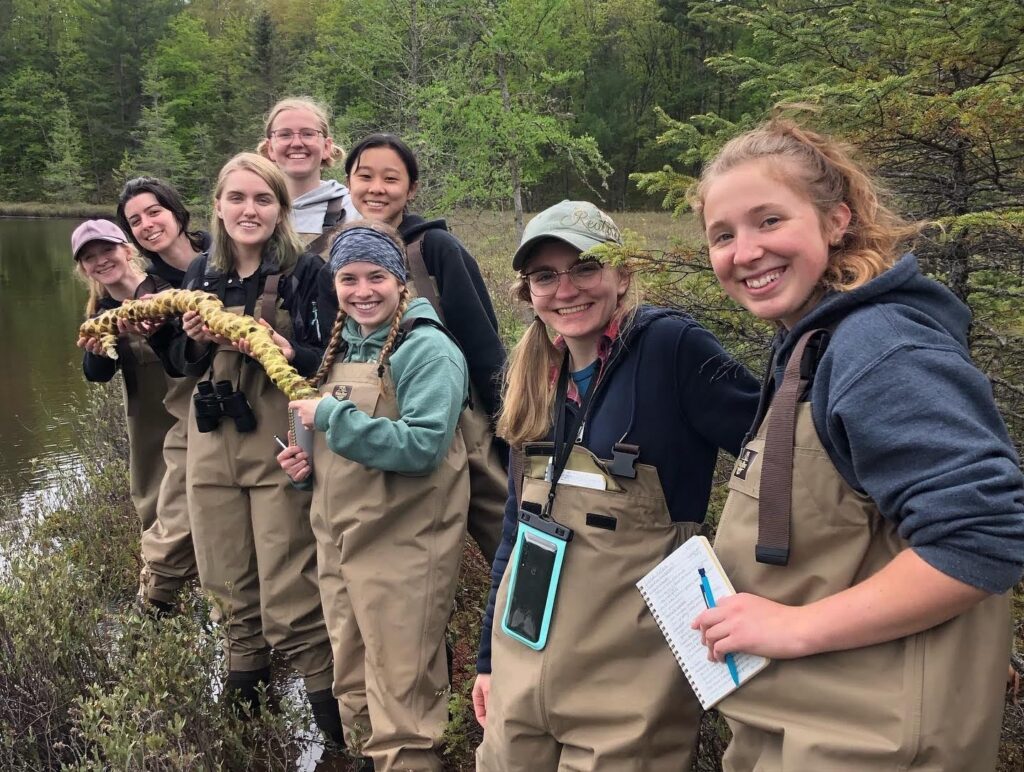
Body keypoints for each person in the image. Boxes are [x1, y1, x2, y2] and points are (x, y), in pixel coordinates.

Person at [690, 118, 1024, 770]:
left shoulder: (880, 344)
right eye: (723, 235)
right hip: (807, 730)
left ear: (836, 220)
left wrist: (792, 626)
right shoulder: (811, 347)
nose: (746, 251)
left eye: (769, 221)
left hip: (875, 745)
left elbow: (982, 537)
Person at [473, 200, 760, 771]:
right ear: (528, 292)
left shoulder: (672, 348)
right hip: (521, 667)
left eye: (585, 267)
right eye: (545, 276)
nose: (566, 288)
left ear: (623, 274)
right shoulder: (532, 379)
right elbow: (515, 528)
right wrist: (486, 658)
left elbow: (778, 459)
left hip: (631, 685)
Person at [279, 221, 470, 770]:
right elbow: (333, 443)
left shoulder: (427, 349)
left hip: (404, 547)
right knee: (353, 678)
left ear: (401, 280)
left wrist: (333, 415)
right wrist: (303, 466)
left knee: (403, 693)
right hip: (340, 541)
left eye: (376, 276)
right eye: (349, 278)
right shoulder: (342, 344)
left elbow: (424, 447)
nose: (362, 290)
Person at [169, 152, 343, 747]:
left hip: (279, 445)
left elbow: (334, 361)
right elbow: (177, 364)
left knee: (293, 595)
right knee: (228, 592)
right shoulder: (199, 272)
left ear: (281, 208)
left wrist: (286, 349)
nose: (249, 210)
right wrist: (191, 342)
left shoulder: (305, 273)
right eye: (237, 198)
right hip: (211, 445)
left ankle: (339, 742)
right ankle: (245, 742)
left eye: (263, 199)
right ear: (218, 206)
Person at [344, 132, 508, 562]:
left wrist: (508, 431)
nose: (376, 188)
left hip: (460, 419)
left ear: (411, 189)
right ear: (348, 182)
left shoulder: (435, 249)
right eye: (365, 176)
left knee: (503, 528)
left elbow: (482, 342)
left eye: (391, 178)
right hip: (380, 423)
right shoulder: (335, 253)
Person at [115, 177, 208, 615]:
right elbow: (176, 364)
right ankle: (152, 611)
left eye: (154, 212)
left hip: (264, 397)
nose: (147, 225)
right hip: (196, 407)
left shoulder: (222, 251)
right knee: (173, 512)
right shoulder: (149, 293)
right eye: (135, 221)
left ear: (176, 211)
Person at [75, 220, 179, 574]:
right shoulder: (101, 311)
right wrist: (99, 350)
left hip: (189, 406)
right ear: (83, 268)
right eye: (90, 257)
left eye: (107, 250)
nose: (101, 260)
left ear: (128, 250)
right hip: (146, 418)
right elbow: (96, 375)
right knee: (151, 501)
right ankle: (159, 588)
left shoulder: (168, 288)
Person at [257, 97, 359, 248]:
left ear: (326, 147)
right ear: (270, 148)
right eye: (285, 135)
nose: (297, 143)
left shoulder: (354, 210)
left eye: (308, 134)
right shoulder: (253, 209)